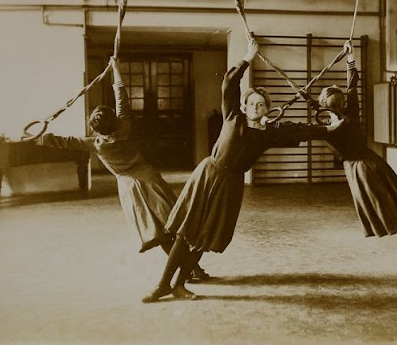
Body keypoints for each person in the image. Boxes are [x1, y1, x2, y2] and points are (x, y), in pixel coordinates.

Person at [141, 38, 343, 303]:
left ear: (267, 109)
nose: (256, 108)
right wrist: (248, 57)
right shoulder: (232, 117)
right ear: (244, 106)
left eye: (261, 105)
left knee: (204, 236)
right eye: (252, 104)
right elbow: (229, 84)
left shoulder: (270, 133)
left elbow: (301, 131)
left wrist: (330, 128)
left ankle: (179, 284)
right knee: (186, 233)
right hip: (208, 176)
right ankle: (162, 285)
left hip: (231, 185)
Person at [37, 56, 206, 298]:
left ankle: (191, 270)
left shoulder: (95, 144)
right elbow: (121, 98)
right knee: (173, 227)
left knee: (159, 233)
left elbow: (66, 142)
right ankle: (194, 268)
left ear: (95, 129)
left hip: (129, 187)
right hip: (149, 178)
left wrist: (40, 136)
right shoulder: (125, 126)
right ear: (114, 121)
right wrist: (116, 68)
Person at [317, 40, 397, 266]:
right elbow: (353, 84)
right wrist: (351, 57)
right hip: (374, 162)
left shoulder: (327, 129)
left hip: (361, 171)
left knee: (390, 214)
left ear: (324, 106)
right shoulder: (351, 113)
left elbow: (313, 126)